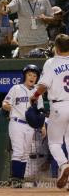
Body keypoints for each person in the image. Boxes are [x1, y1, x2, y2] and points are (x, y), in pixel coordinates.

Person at [30, 34, 69, 189]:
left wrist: (34, 96)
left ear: (57, 48)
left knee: (54, 142)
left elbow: (43, 85)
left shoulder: (51, 62)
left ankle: (64, 165)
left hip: (59, 106)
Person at [2, 64, 43, 187]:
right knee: (18, 151)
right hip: (17, 122)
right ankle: (16, 180)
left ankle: (19, 179)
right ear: (25, 75)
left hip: (30, 125)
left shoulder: (37, 93)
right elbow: (5, 103)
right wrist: (12, 109)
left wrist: (43, 126)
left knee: (25, 153)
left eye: (35, 75)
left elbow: (40, 111)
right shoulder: (16, 88)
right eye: (29, 74)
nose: (32, 77)